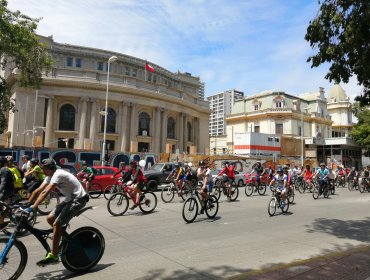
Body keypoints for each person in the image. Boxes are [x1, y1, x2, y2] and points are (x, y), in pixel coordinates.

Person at [23, 158, 89, 266]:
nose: (42, 171)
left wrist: (33, 207)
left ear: (51, 168)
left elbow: (45, 192)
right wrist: (26, 204)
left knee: (57, 223)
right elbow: (37, 190)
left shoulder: (58, 174)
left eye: (44, 169)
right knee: (50, 218)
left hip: (79, 199)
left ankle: (54, 256)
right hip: (69, 199)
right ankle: (61, 234)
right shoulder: (49, 176)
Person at [0, 156, 15, 230]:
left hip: (8, 190)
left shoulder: (3, 170)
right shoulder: (3, 169)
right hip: (6, 190)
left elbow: (3, 183)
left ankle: (2, 223)